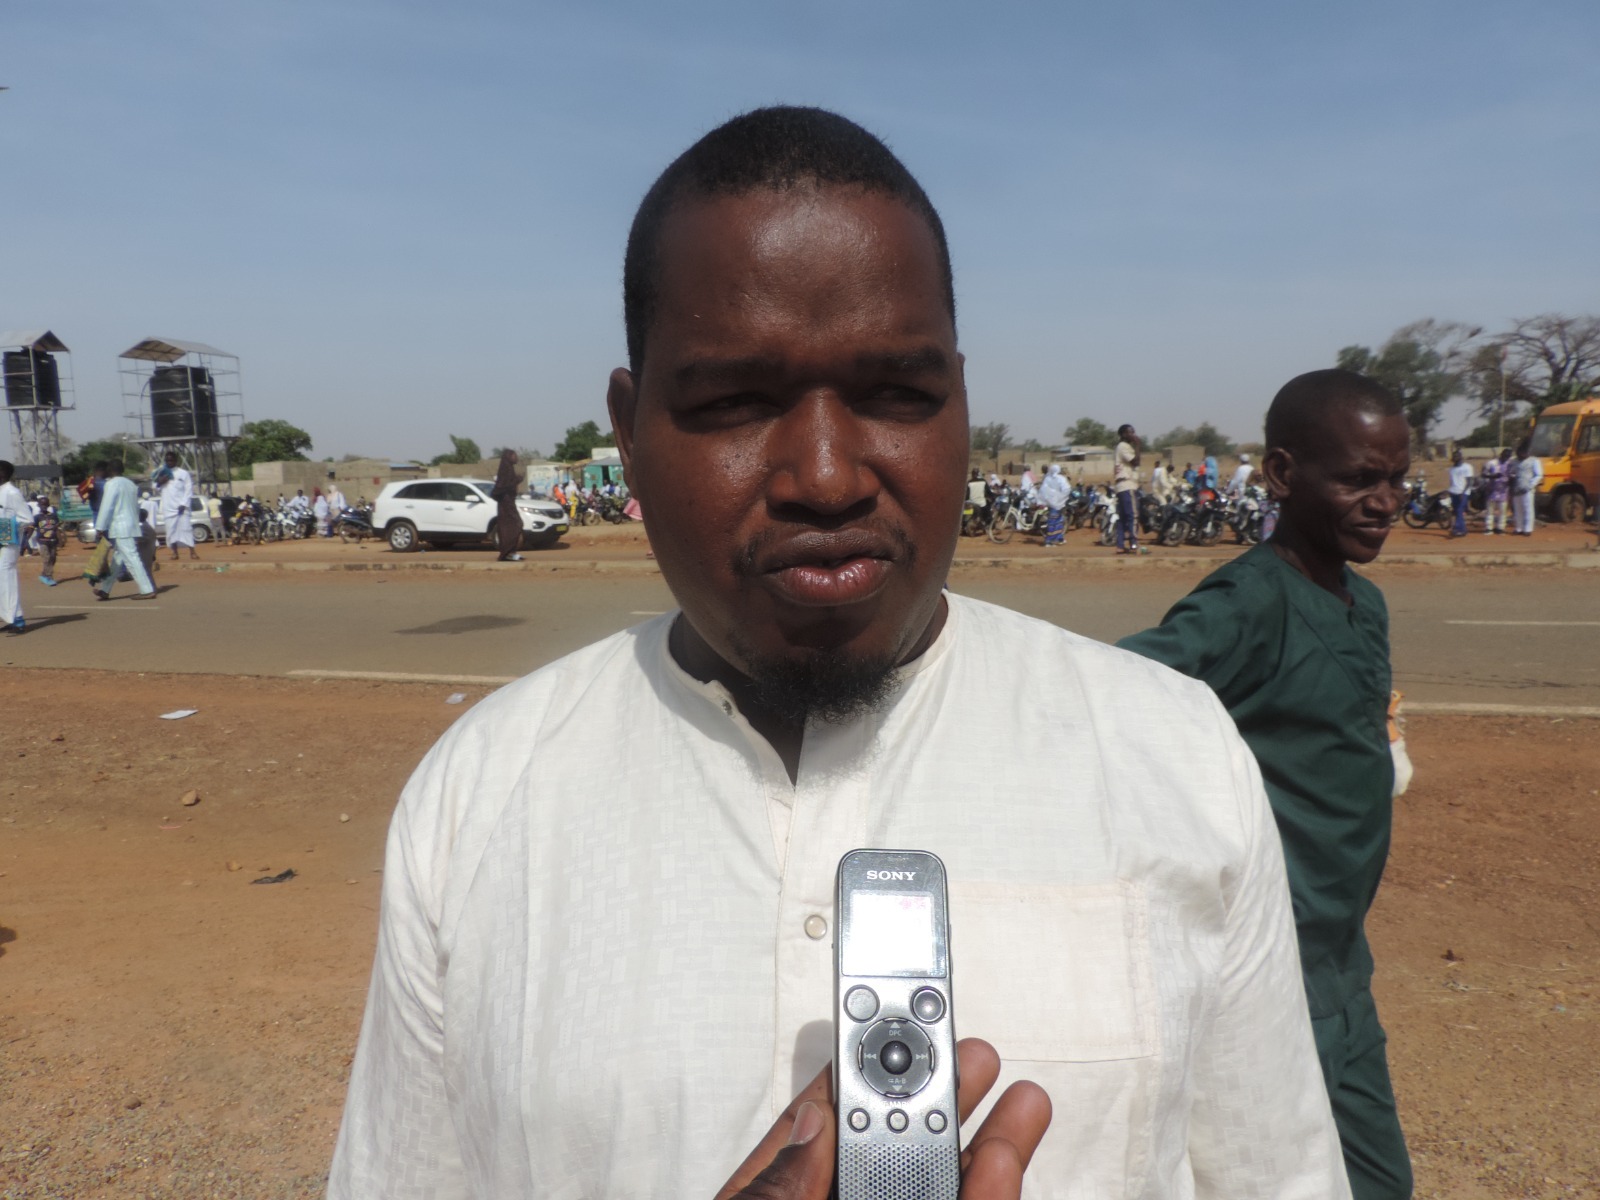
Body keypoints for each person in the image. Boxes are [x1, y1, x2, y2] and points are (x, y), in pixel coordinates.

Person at [328, 106, 1346, 1200]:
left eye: (896, 396)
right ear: (627, 429)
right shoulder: (482, 797)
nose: (824, 477)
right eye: (734, 402)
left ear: (961, 404)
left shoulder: (1170, 755)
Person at [1119, 368, 1413, 1200]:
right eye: (1359, 479)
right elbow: (1119, 693)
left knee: (1380, 1179)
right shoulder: (1250, 604)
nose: (1385, 503)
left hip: (1342, 962)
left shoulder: (1364, 603)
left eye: (1396, 480)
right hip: (1279, 974)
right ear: (1283, 475)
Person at [91, 459, 157, 600]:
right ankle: (105, 589)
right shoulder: (130, 484)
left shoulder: (112, 484)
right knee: (117, 560)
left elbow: (107, 506)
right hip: (131, 525)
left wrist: (100, 527)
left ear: (110, 470)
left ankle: (147, 589)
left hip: (121, 527)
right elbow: (134, 506)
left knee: (132, 558)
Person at [0, 461, 35, 633]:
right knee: (2, 579)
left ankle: (17, 619)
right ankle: (11, 616)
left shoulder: (12, 492)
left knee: (7, 577)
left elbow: (27, 519)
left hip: (9, 541)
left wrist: (5, 530)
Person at [159, 451, 198, 561]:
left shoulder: (183, 473)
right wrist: (161, 481)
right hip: (168, 508)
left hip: (182, 508)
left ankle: (192, 552)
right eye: (167, 460)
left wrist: (183, 504)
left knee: (186, 529)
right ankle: (175, 553)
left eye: (171, 460)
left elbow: (188, 489)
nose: (169, 462)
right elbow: (154, 486)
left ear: (176, 461)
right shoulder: (161, 472)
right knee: (171, 531)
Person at [492, 448, 525, 561]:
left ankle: (511, 552)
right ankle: (507, 552)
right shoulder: (505, 470)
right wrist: (517, 480)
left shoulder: (509, 469)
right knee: (515, 525)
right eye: (514, 455)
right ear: (508, 457)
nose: (516, 457)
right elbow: (502, 486)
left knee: (514, 525)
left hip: (509, 502)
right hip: (505, 504)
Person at [1112, 424, 1141, 554]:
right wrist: (1138, 446)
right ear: (1123, 434)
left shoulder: (1123, 447)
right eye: (1130, 432)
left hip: (1122, 486)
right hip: (1127, 484)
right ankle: (1134, 544)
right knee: (1133, 515)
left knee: (1123, 517)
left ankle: (1120, 545)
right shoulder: (1123, 446)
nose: (1133, 435)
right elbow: (1135, 462)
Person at [1511, 438, 1542, 536]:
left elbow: (1539, 475)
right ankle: (1518, 528)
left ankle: (1528, 529)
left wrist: (1530, 485)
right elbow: (1511, 472)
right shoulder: (1514, 461)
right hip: (1516, 488)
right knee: (1517, 509)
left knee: (1528, 509)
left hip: (1528, 489)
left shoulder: (1534, 461)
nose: (1520, 455)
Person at [1035, 462, 1070, 545]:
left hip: (1051, 503)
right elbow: (1066, 489)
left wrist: (1045, 499)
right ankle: (1049, 541)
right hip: (1058, 503)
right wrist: (1061, 497)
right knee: (1056, 521)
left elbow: (1043, 490)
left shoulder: (1048, 479)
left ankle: (1059, 538)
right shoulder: (1061, 478)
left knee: (1056, 520)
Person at [1481, 448, 1511, 534]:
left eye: (1507, 456)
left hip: (1503, 491)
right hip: (1491, 490)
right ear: (1501, 454)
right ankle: (1489, 528)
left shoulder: (1509, 464)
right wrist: (1492, 476)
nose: (1505, 458)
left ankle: (1500, 528)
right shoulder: (1491, 463)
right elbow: (1483, 474)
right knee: (1490, 510)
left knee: (1502, 511)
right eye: (1505, 456)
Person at [34, 495, 61, 586]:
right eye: (42, 505)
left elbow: (57, 527)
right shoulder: (37, 517)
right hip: (42, 540)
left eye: (45, 505)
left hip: (53, 540)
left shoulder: (53, 516)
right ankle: (49, 577)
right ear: (39, 506)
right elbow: (33, 527)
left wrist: (59, 538)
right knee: (46, 558)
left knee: (53, 558)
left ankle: (44, 574)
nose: (44, 507)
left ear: (48, 505)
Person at [1446, 448, 1472, 538]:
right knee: (1457, 512)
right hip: (1453, 492)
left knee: (1460, 510)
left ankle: (1456, 529)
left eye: (1457, 456)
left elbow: (1469, 481)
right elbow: (1452, 482)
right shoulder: (1451, 469)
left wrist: (1463, 492)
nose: (1455, 458)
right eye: (1454, 456)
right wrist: (1449, 491)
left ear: (1461, 457)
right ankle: (1463, 529)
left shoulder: (1467, 467)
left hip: (1463, 493)